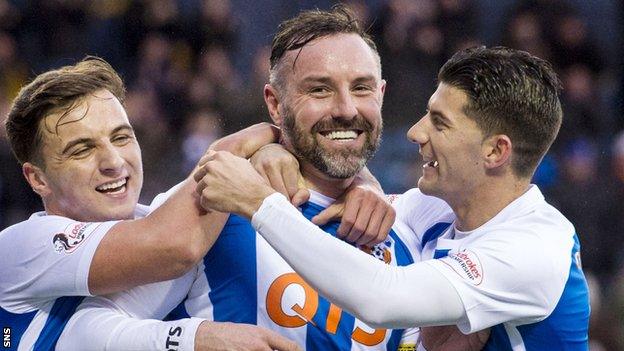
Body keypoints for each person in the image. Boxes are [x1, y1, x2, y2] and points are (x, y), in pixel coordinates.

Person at [56, 6, 430, 351]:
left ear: (380, 95)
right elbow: (79, 332)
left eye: (361, 88)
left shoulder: (409, 229)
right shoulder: (215, 206)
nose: (346, 109)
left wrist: (366, 183)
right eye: (319, 89)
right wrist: (195, 338)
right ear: (275, 104)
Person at [195, 46, 591, 349]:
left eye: (439, 123)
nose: (416, 133)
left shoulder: (534, 249)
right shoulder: (439, 206)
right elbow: (351, 186)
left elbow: (382, 297)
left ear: (494, 152)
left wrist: (260, 204)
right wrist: (275, 150)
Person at [0, 57, 300, 350]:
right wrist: (244, 144)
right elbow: (174, 246)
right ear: (37, 179)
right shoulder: (19, 249)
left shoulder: (164, 218)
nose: (114, 162)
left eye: (121, 138)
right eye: (82, 150)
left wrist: (276, 157)